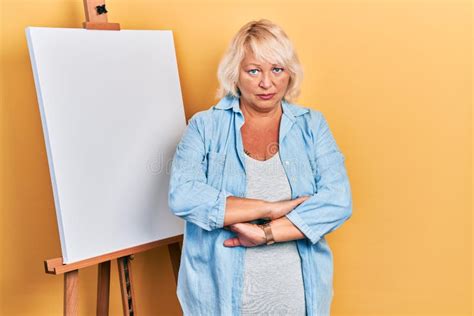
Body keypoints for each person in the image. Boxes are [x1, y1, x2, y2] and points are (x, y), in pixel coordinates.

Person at [168, 19, 352, 316]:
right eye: (254, 70)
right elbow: (184, 196)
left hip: (298, 301)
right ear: (235, 74)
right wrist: (270, 208)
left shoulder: (312, 126)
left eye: (277, 70)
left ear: (290, 74)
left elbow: (338, 201)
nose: (267, 83)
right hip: (220, 303)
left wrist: (265, 233)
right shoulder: (204, 127)